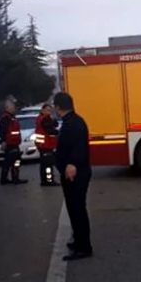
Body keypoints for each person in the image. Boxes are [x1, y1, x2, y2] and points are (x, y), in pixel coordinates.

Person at [53, 92, 93, 261]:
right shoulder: (72, 121)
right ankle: (78, 240)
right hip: (73, 173)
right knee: (73, 208)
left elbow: (79, 147)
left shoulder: (73, 123)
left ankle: (84, 247)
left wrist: (72, 164)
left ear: (58, 107)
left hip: (75, 173)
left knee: (77, 210)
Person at [0, 98, 27, 185]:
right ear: (7, 108)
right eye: (13, 107)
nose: (14, 108)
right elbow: (3, 131)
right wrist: (3, 141)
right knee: (12, 162)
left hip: (14, 143)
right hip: (10, 144)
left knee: (13, 162)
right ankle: (11, 179)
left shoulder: (11, 117)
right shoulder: (6, 118)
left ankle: (11, 178)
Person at [35, 104, 60, 186]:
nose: (49, 112)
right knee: (48, 164)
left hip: (44, 145)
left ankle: (44, 181)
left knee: (44, 164)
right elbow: (50, 130)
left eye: (50, 110)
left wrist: (53, 118)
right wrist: (59, 132)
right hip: (45, 145)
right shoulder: (44, 119)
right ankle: (49, 181)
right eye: (47, 110)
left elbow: (55, 124)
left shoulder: (45, 118)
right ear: (42, 110)